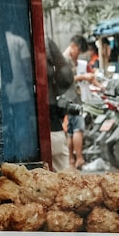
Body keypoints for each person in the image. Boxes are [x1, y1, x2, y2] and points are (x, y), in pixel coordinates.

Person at [61, 35, 97, 169]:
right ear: (74, 47)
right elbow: (68, 79)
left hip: (69, 99)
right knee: (78, 129)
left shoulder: (67, 60)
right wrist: (83, 76)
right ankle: (79, 159)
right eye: (79, 51)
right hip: (72, 99)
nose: (79, 55)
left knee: (70, 131)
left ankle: (71, 160)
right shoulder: (65, 61)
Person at [46, 38, 75, 172]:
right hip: (50, 120)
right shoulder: (45, 41)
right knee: (63, 175)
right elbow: (65, 75)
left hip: (17, 122)